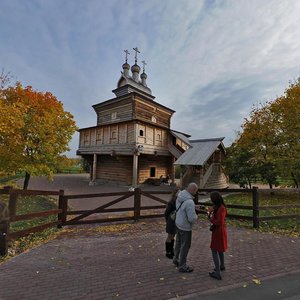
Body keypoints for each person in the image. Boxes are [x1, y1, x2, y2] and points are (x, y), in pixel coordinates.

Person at [172, 182, 199, 273]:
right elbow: (192, 219)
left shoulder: (180, 195)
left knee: (178, 243)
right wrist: (196, 216)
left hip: (178, 223)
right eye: (196, 191)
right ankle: (182, 266)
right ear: (193, 190)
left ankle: (176, 259)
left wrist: (194, 207)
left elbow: (182, 207)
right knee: (185, 246)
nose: (196, 192)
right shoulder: (190, 202)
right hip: (185, 227)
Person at [208, 191, 228, 280]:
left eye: (212, 199)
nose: (211, 201)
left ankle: (218, 272)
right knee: (219, 249)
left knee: (214, 250)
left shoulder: (221, 208)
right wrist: (210, 213)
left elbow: (219, 221)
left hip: (218, 231)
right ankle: (222, 265)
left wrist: (211, 219)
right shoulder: (218, 207)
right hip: (218, 231)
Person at [164, 187, 180, 259]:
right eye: (178, 192)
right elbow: (166, 213)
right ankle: (168, 252)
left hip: (175, 221)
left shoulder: (179, 201)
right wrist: (168, 220)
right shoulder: (171, 202)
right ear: (175, 193)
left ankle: (172, 250)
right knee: (170, 236)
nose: (179, 194)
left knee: (173, 236)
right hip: (171, 221)